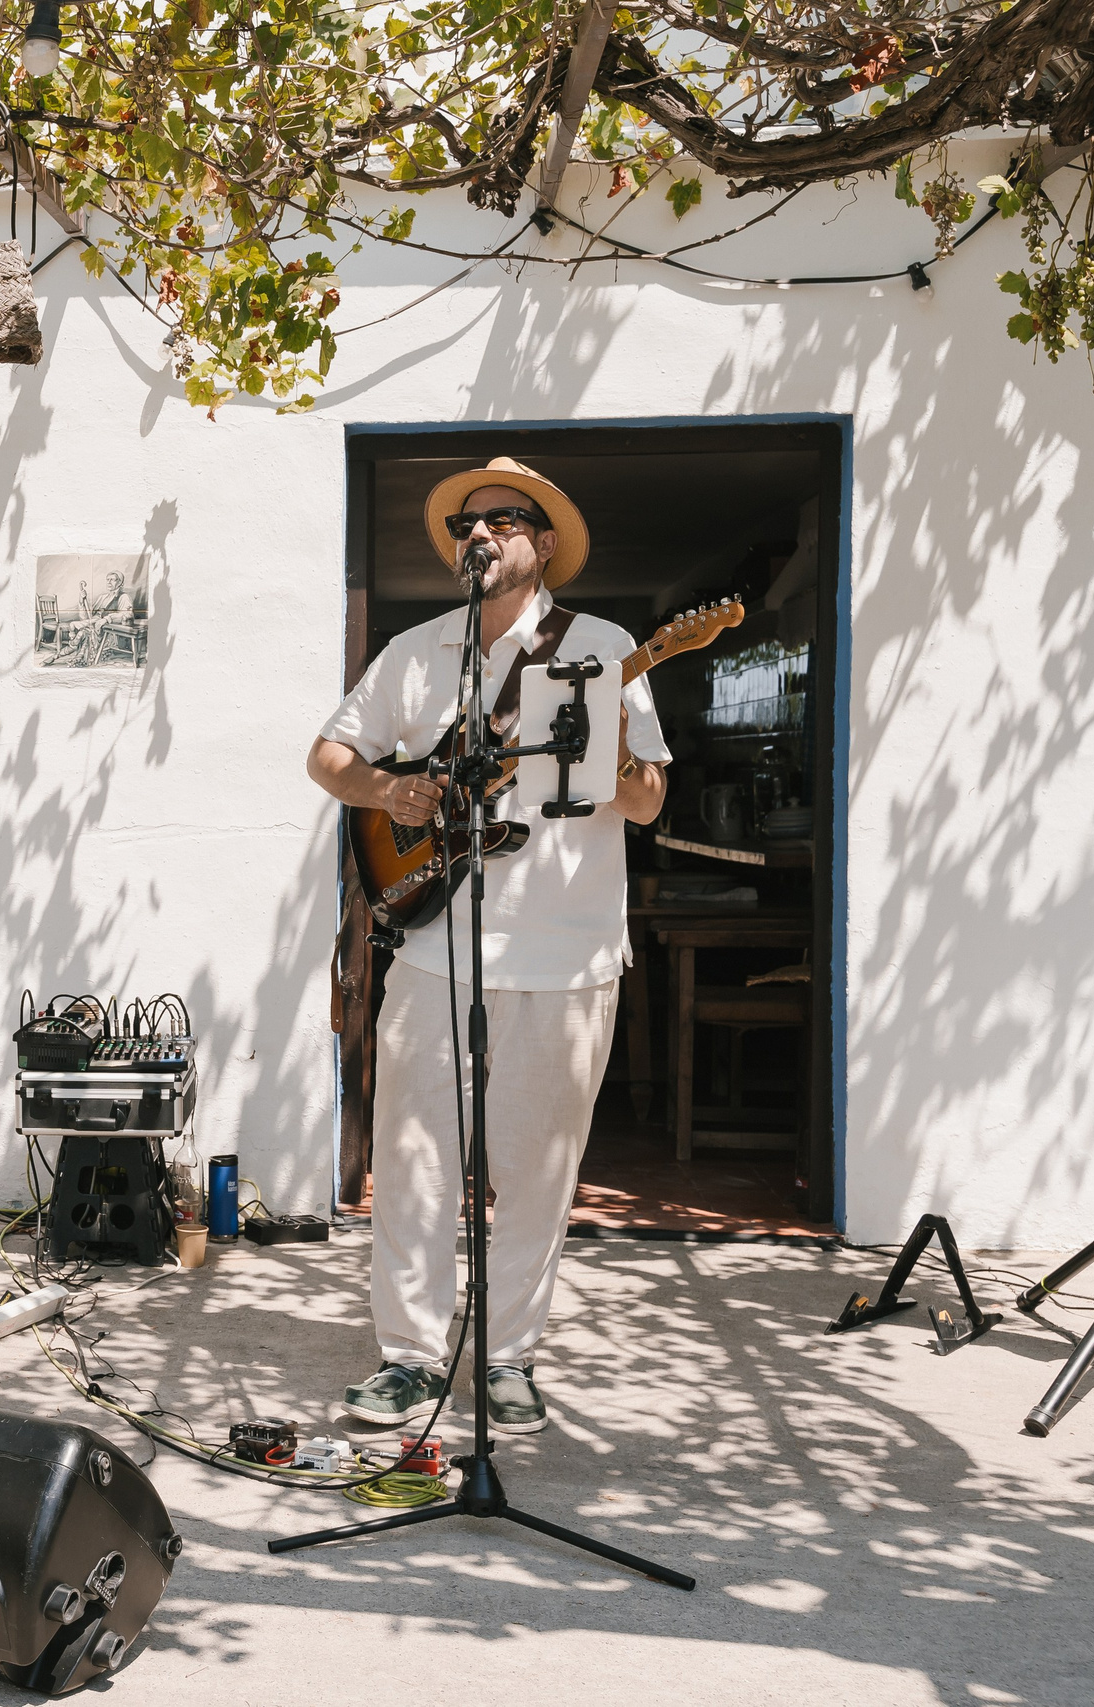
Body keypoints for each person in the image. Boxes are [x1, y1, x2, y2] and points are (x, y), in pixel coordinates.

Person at [305, 457, 670, 1434]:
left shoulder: (604, 647)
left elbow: (647, 801)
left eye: (504, 521)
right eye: (466, 523)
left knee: (537, 1172)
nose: (480, 534)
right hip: (434, 950)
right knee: (414, 1162)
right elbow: (329, 757)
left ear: (540, 544)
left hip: (567, 956)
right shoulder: (415, 653)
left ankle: (507, 1359)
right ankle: (411, 1360)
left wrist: (622, 758)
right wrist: (390, 791)